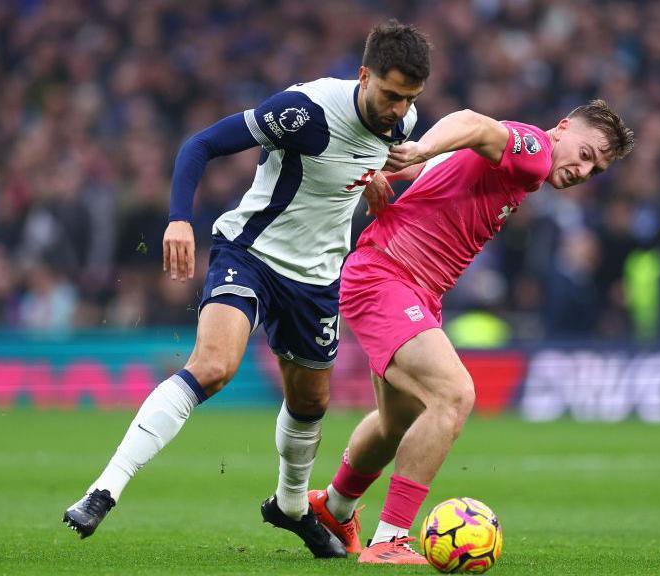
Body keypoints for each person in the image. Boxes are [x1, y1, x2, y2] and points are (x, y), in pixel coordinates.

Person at [62, 20, 431, 559]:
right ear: (364, 75)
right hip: (251, 254)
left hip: (318, 278)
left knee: (311, 403)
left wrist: (372, 176)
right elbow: (201, 144)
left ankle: (291, 505)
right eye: (391, 95)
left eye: (409, 99)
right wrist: (178, 220)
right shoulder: (305, 111)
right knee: (213, 366)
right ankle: (104, 490)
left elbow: (368, 155)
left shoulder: (403, 121)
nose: (399, 109)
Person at [304, 101, 634, 564]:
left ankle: (335, 508)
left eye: (595, 169)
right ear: (561, 128)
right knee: (454, 395)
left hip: (408, 284)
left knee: (399, 421)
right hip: (390, 275)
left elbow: (457, 156)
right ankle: (389, 540)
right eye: (585, 153)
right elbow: (474, 122)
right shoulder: (536, 150)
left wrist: (402, 170)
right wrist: (419, 149)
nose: (583, 170)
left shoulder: (523, 169)